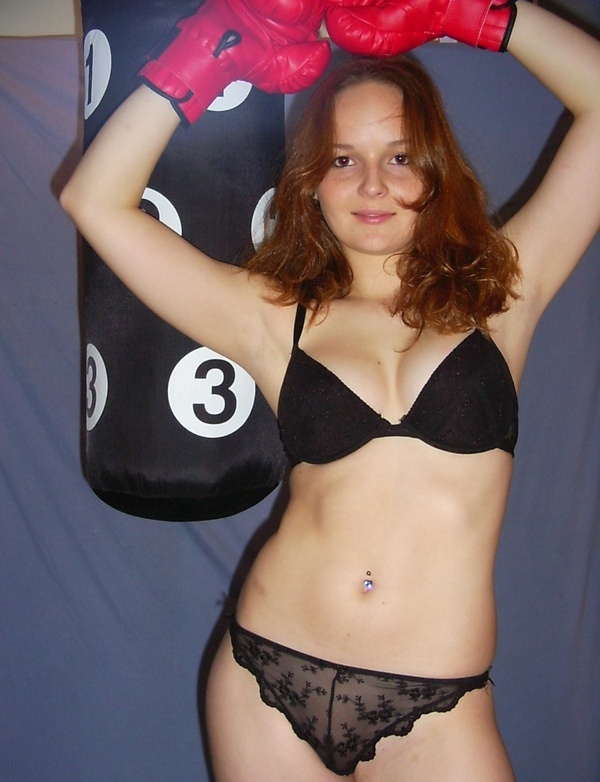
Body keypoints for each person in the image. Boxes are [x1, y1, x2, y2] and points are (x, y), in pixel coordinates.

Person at [60, 0, 600, 778]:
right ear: (311, 183)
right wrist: (208, 51)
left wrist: (477, 15)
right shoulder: (270, 316)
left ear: (436, 170)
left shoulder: (502, 293)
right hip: (269, 677)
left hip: (438, 706)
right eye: (343, 160)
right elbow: (93, 200)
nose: (372, 184)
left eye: (400, 156)